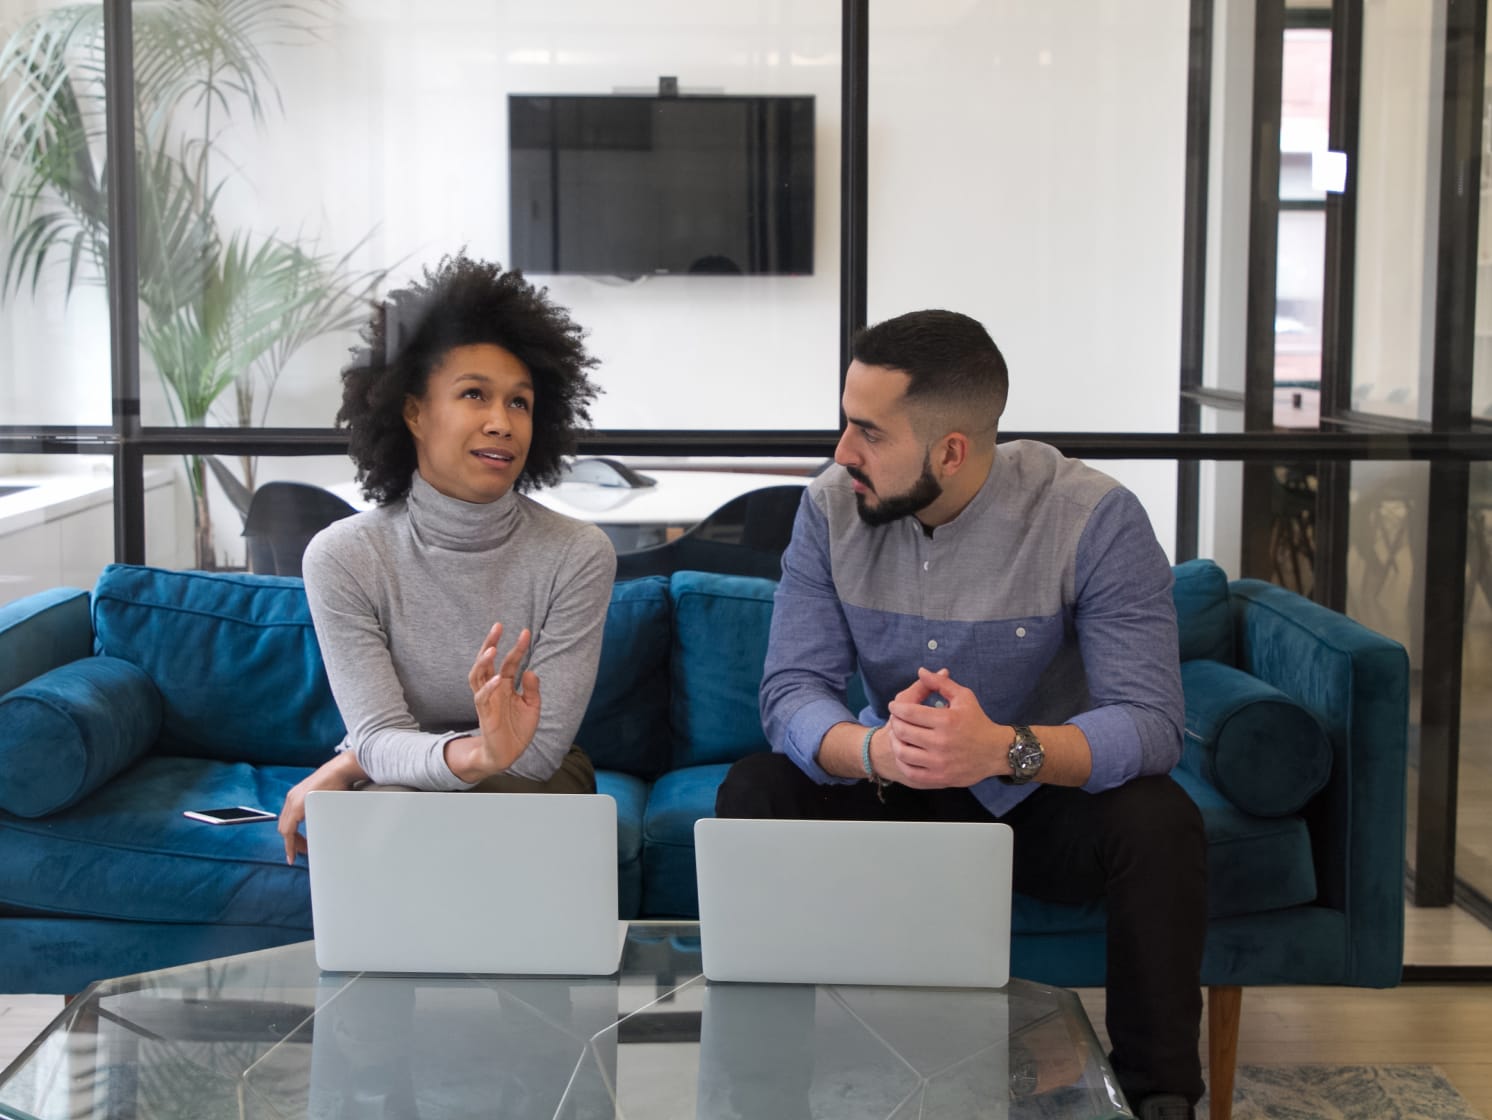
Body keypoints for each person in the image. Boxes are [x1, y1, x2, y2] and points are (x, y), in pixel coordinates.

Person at [714, 310, 1207, 1120]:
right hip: (892, 787)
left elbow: (1151, 722)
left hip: (1033, 799)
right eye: (845, 423)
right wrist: (876, 751)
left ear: (951, 449)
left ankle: (1160, 1099)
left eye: (869, 433)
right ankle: (764, 1091)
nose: (843, 454)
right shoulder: (828, 510)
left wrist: (1001, 750)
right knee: (756, 789)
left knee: (1159, 819)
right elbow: (790, 693)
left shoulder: (1093, 518)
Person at [277, 253, 616, 863]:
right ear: (413, 412)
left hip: (535, 785)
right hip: (406, 782)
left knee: (410, 816)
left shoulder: (577, 554)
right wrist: (435, 753)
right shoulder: (344, 557)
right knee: (381, 821)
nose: (501, 422)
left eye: (519, 403)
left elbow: (535, 754)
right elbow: (379, 737)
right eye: (473, 395)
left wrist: (361, 761)